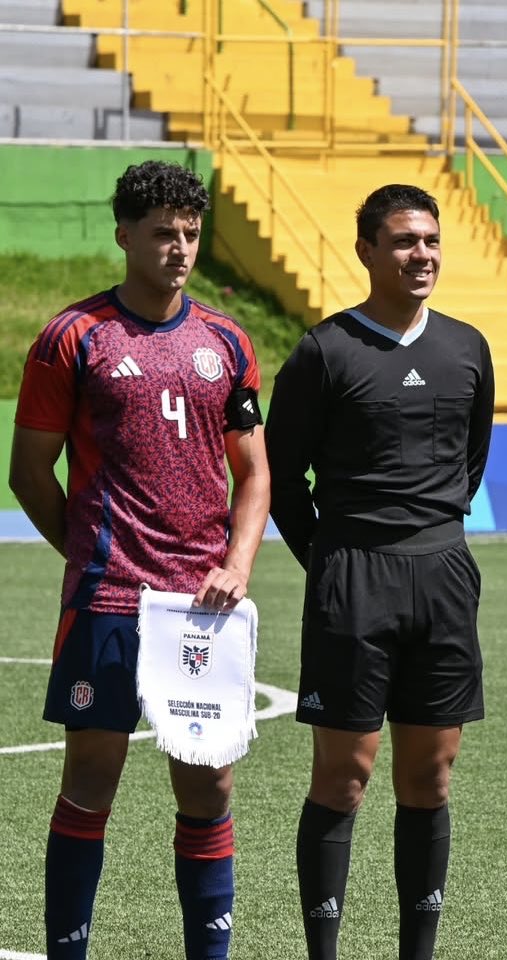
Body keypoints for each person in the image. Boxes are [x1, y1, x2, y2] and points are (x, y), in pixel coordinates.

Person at [8, 160, 269, 959]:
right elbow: (28, 472)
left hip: (203, 607)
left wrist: (238, 566)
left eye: (190, 234)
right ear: (124, 235)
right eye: (162, 233)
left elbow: (255, 474)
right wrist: (88, 555)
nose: (178, 248)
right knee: (91, 781)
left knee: (208, 784)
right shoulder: (73, 338)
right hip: (110, 602)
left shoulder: (225, 340)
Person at [265, 183, 494, 960]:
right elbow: (281, 477)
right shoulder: (326, 350)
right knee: (345, 776)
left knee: (430, 779)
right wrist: (331, 562)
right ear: (366, 250)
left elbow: (471, 460)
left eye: (429, 240)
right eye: (403, 241)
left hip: (442, 574)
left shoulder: (468, 348)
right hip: (353, 578)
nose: (420, 254)